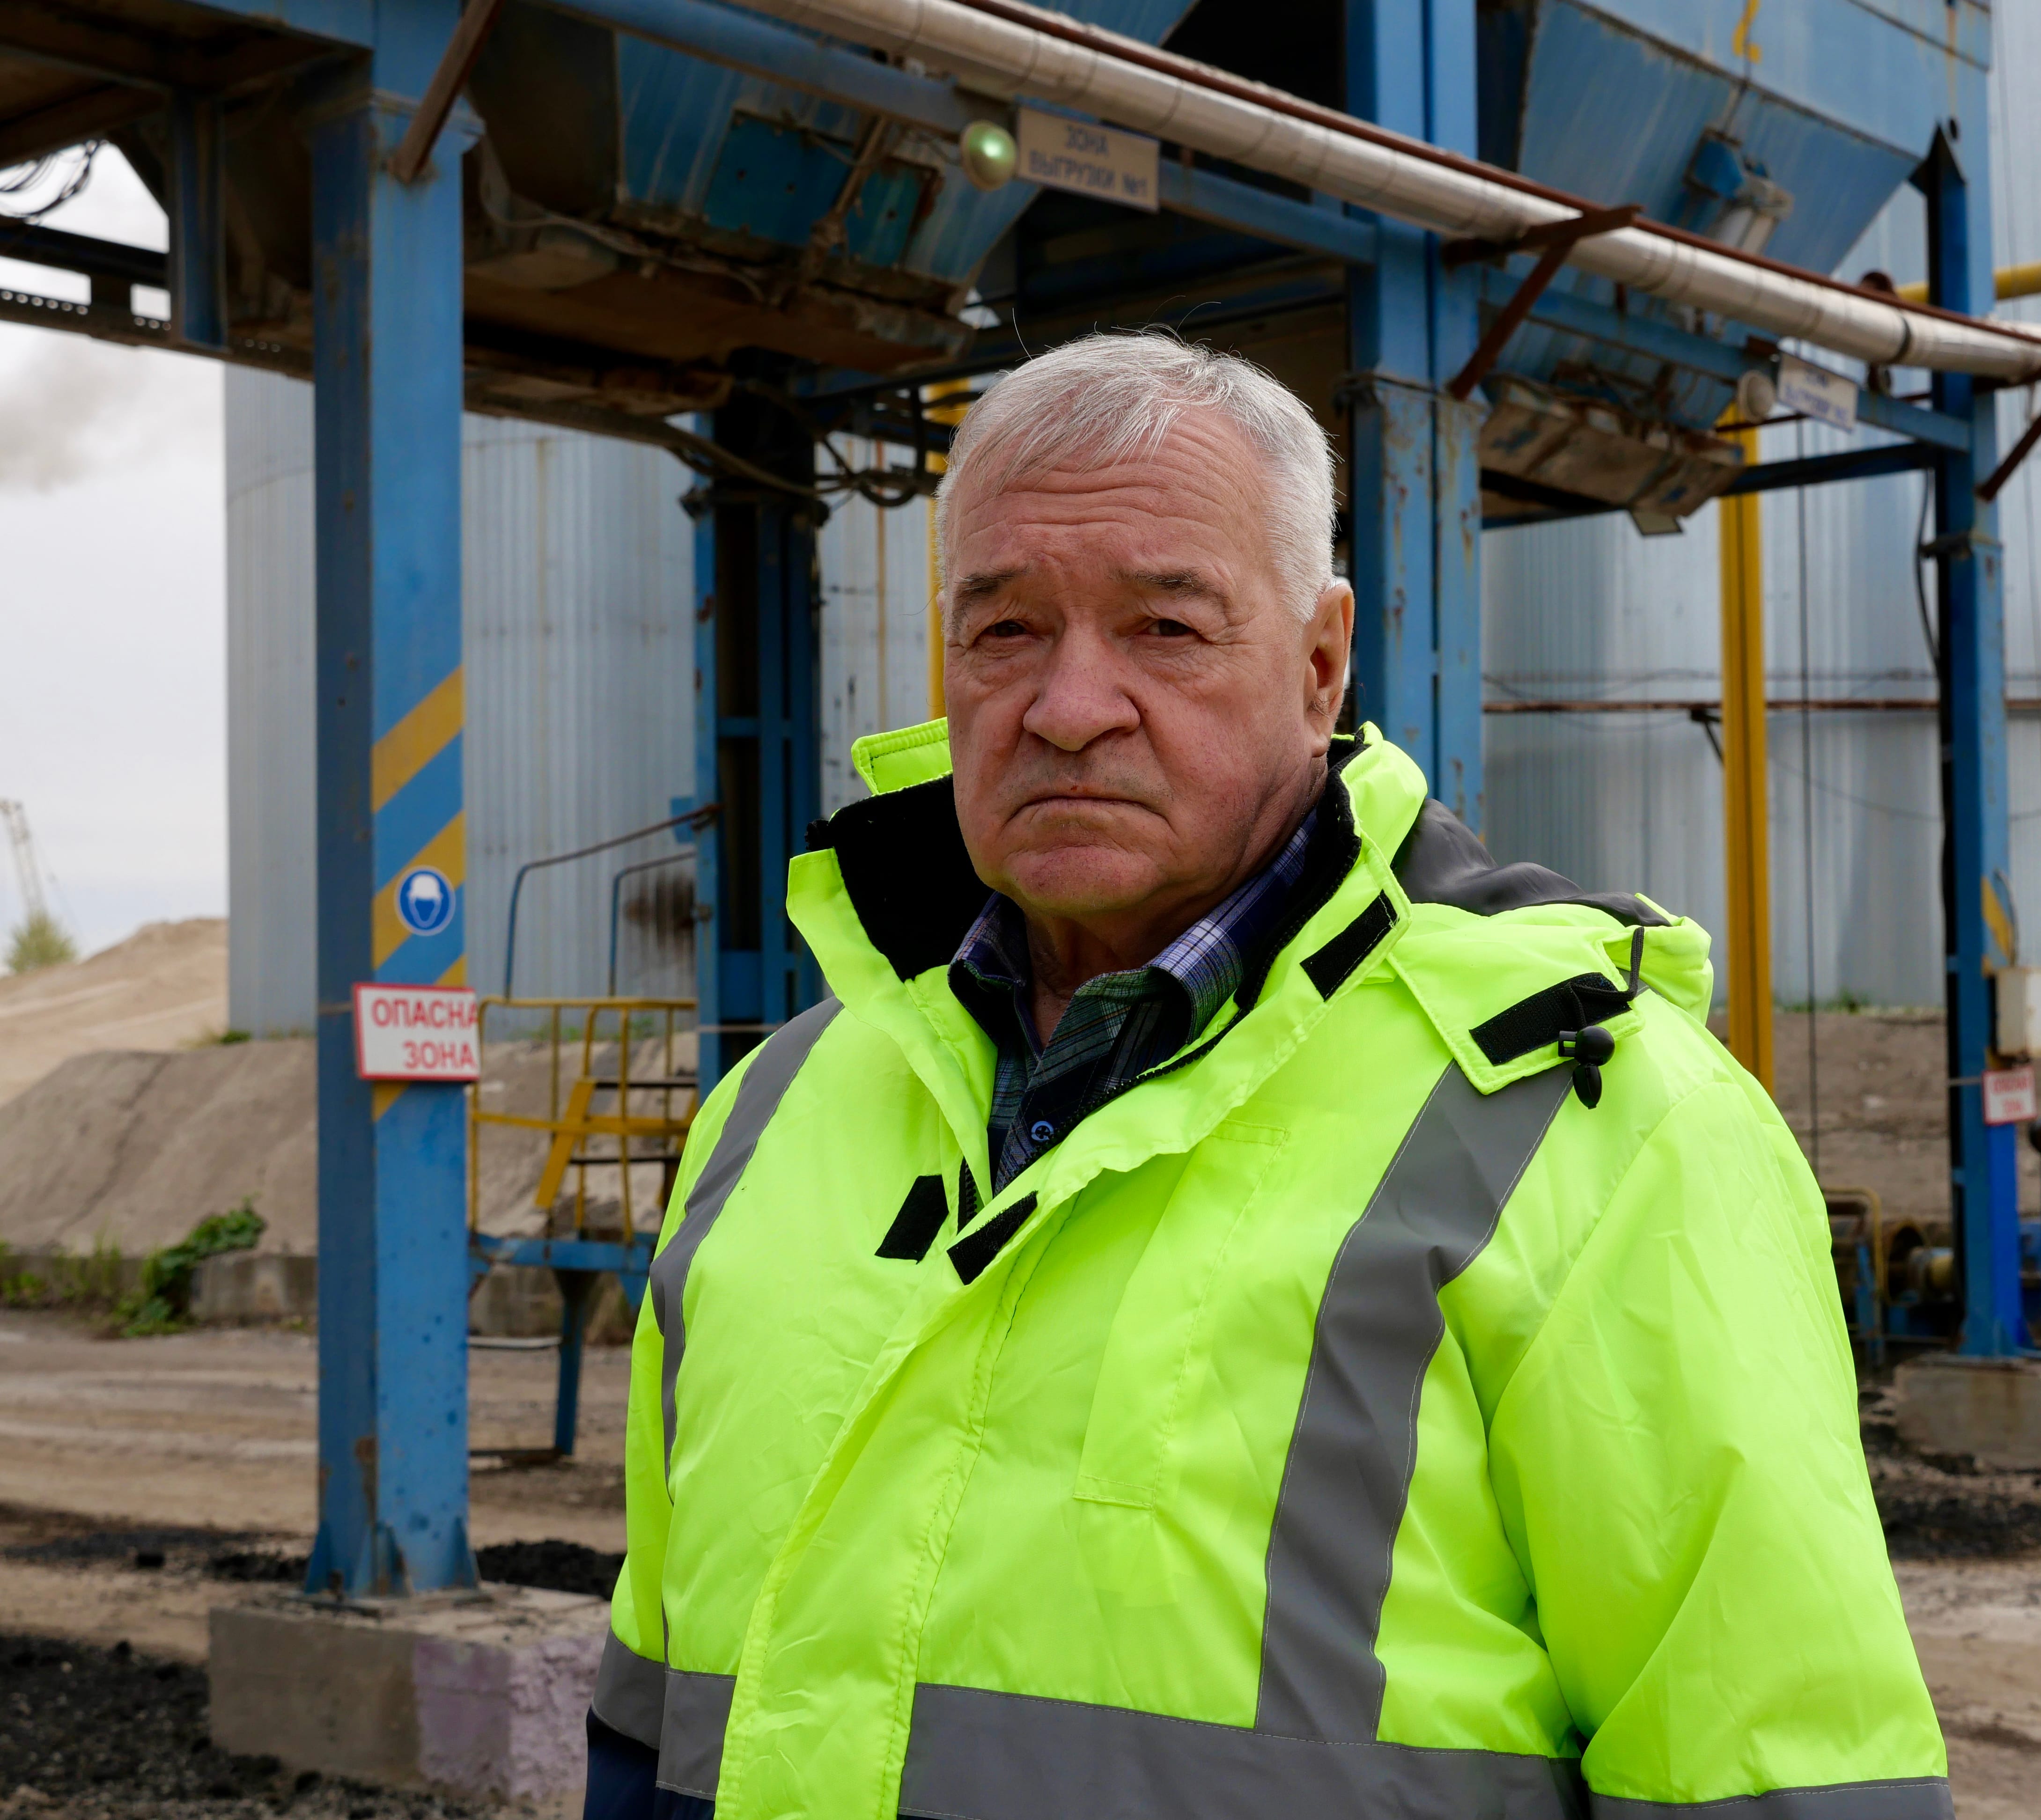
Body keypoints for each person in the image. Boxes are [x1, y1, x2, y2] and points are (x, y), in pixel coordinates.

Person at [584, 330, 1948, 1820]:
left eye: (1166, 628)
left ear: (1317, 666)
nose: (1067, 706)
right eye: (1005, 628)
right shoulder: (776, 1110)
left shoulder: (1594, 1117)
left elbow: (1774, 1778)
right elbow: (653, 1718)